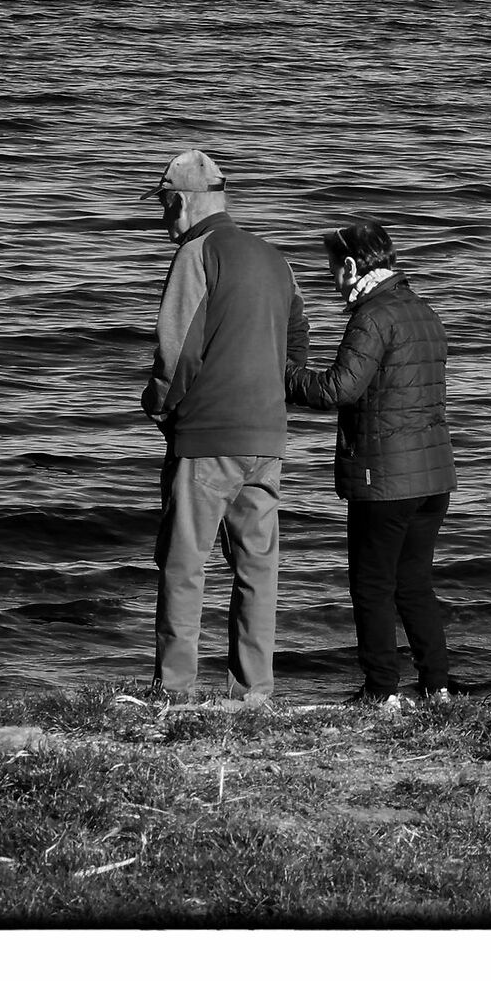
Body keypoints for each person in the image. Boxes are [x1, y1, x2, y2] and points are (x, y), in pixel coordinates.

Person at [139, 149, 309, 705]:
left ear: (182, 201)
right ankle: (252, 694)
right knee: (256, 568)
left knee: (183, 565)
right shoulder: (275, 258)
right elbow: (299, 339)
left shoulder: (196, 252)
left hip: (207, 439)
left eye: (165, 206)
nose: (164, 219)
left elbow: (176, 351)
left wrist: (160, 406)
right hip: (267, 438)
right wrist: (270, 394)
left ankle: (174, 692)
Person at [287, 220, 457, 706]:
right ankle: (437, 686)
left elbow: (340, 388)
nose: (329, 279)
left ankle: (382, 690)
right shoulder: (422, 311)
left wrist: (287, 378)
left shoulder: (373, 316)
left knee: (372, 586)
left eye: (330, 268)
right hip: (434, 476)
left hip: (384, 479)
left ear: (350, 265)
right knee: (415, 585)